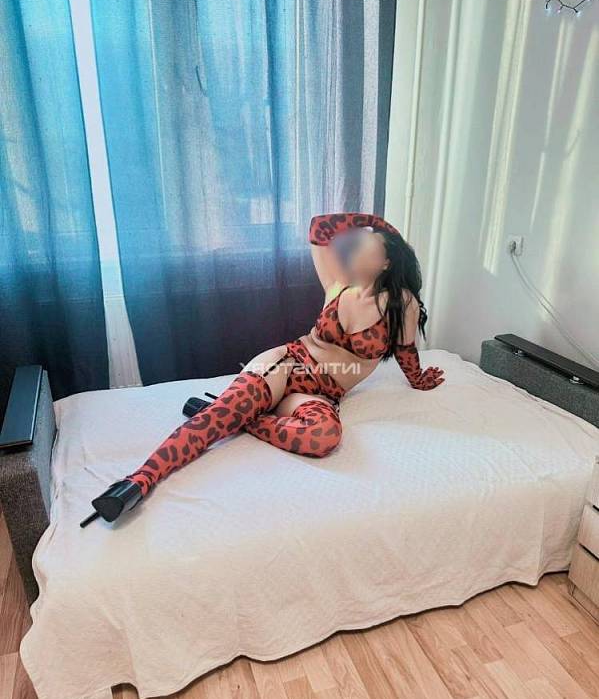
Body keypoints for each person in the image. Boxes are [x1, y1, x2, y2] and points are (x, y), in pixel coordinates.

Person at [90, 213, 444, 523]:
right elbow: (319, 228)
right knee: (215, 421)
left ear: (386, 262)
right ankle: (138, 481)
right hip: (287, 364)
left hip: (321, 392)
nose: (354, 249)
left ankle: (240, 419)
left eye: (366, 245)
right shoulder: (337, 286)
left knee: (324, 436)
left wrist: (418, 379)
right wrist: (374, 222)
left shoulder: (402, 303)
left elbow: (405, 350)